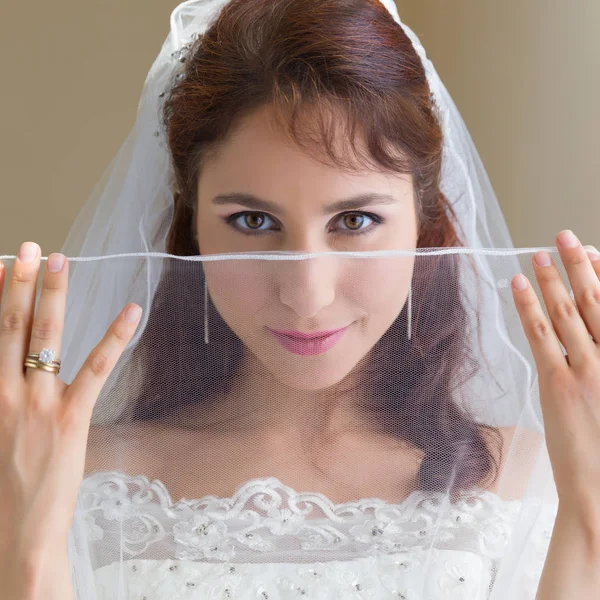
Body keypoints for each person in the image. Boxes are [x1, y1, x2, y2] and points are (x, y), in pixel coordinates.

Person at [1, 0, 600, 598]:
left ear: (423, 219)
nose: (306, 296)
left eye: (356, 220)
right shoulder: (63, 473)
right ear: (192, 225)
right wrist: (26, 549)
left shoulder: (539, 481)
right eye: (253, 221)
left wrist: (591, 524)